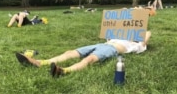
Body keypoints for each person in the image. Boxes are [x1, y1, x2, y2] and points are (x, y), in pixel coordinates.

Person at [16, 31, 151, 78]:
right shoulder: (121, 34)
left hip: (113, 49)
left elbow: (147, 35)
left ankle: (64, 71)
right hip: (102, 44)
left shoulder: (137, 45)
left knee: (90, 59)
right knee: (70, 52)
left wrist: (140, 33)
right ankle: (40, 62)